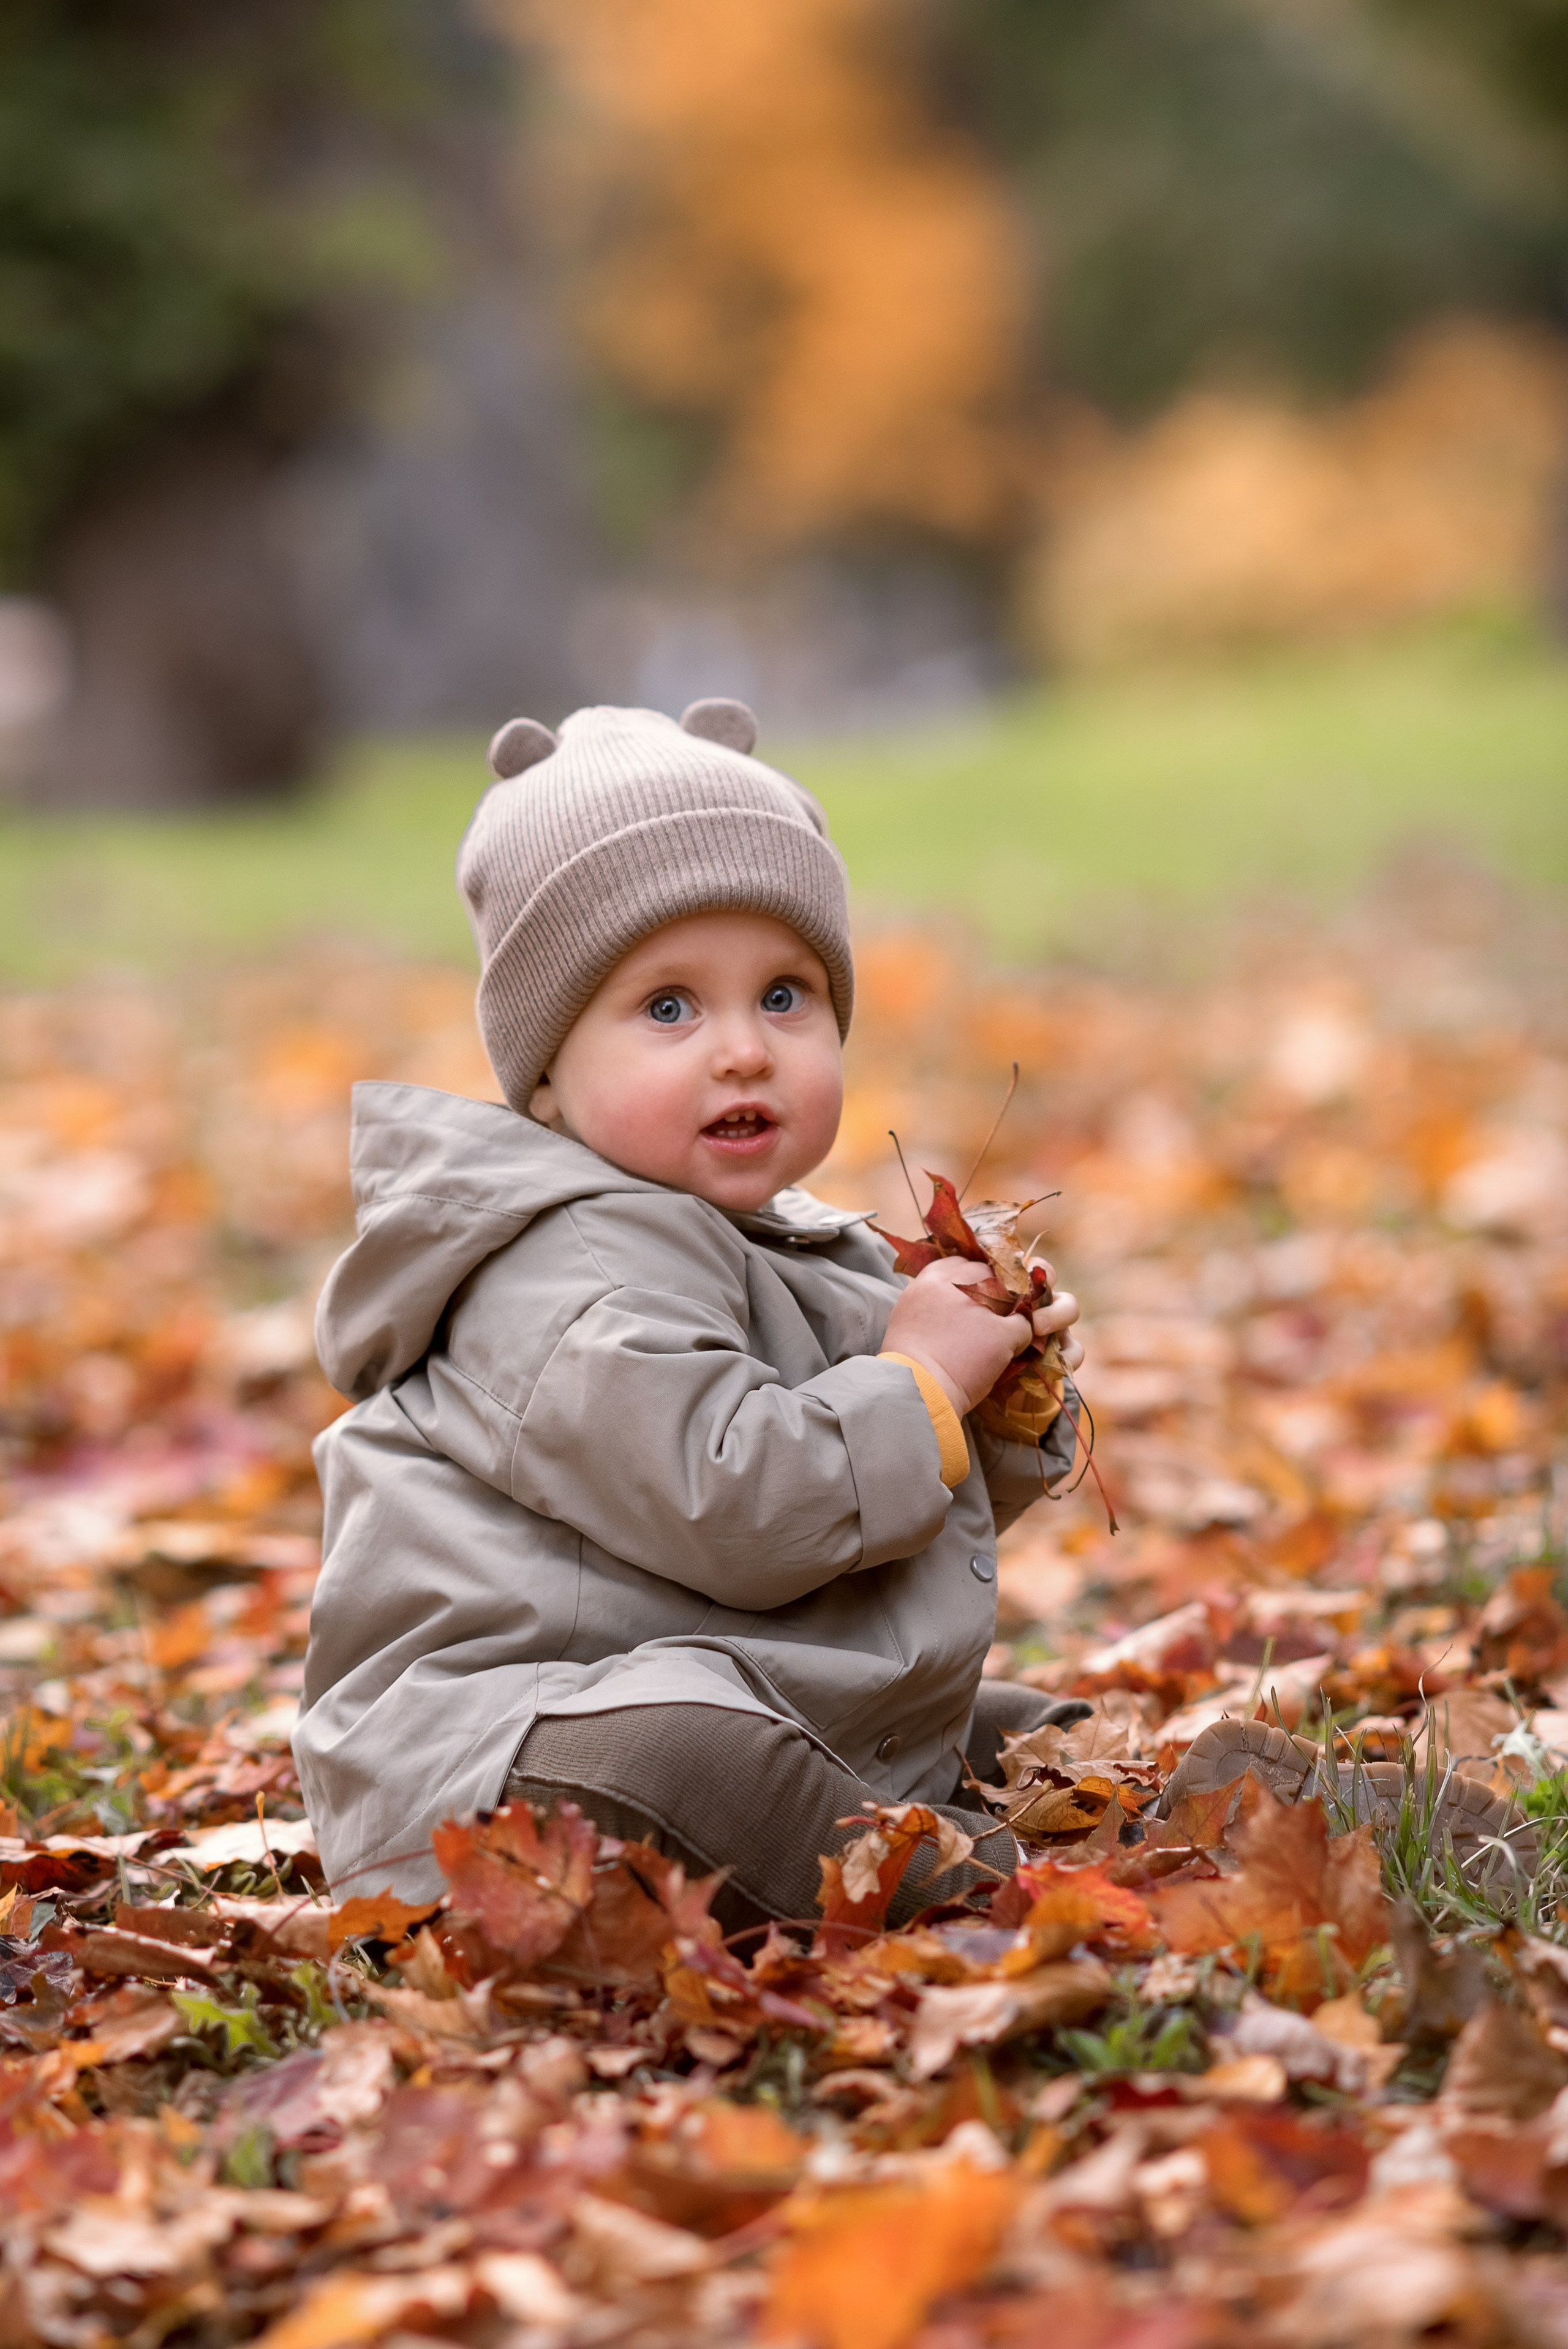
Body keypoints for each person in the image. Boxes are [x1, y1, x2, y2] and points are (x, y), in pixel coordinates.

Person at [295, 698, 1088, 1920]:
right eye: (669, 1008)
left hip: (697, 1664)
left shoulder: (788, 1239)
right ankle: (982, 1898)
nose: (741, 1050)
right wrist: (917, 1384)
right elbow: (740, 1507)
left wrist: (992, 1399)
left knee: (1020, 1728)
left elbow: (875, 1511)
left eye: (784, 996)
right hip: (504, 1745)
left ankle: (1235, 1810)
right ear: (549, 1071)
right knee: (691, 1759)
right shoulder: (558, 1269)